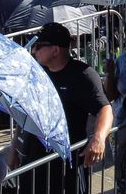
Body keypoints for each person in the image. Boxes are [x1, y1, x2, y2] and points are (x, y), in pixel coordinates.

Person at [11, 23, 113, 194]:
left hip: (67, 161)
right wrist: (15, 147)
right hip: (33, 157)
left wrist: (98, 139)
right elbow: (26, 112)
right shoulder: (36, 72)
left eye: (39, 46)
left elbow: (105, 109)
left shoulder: (83, 75)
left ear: (56, 50)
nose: (34, 50)